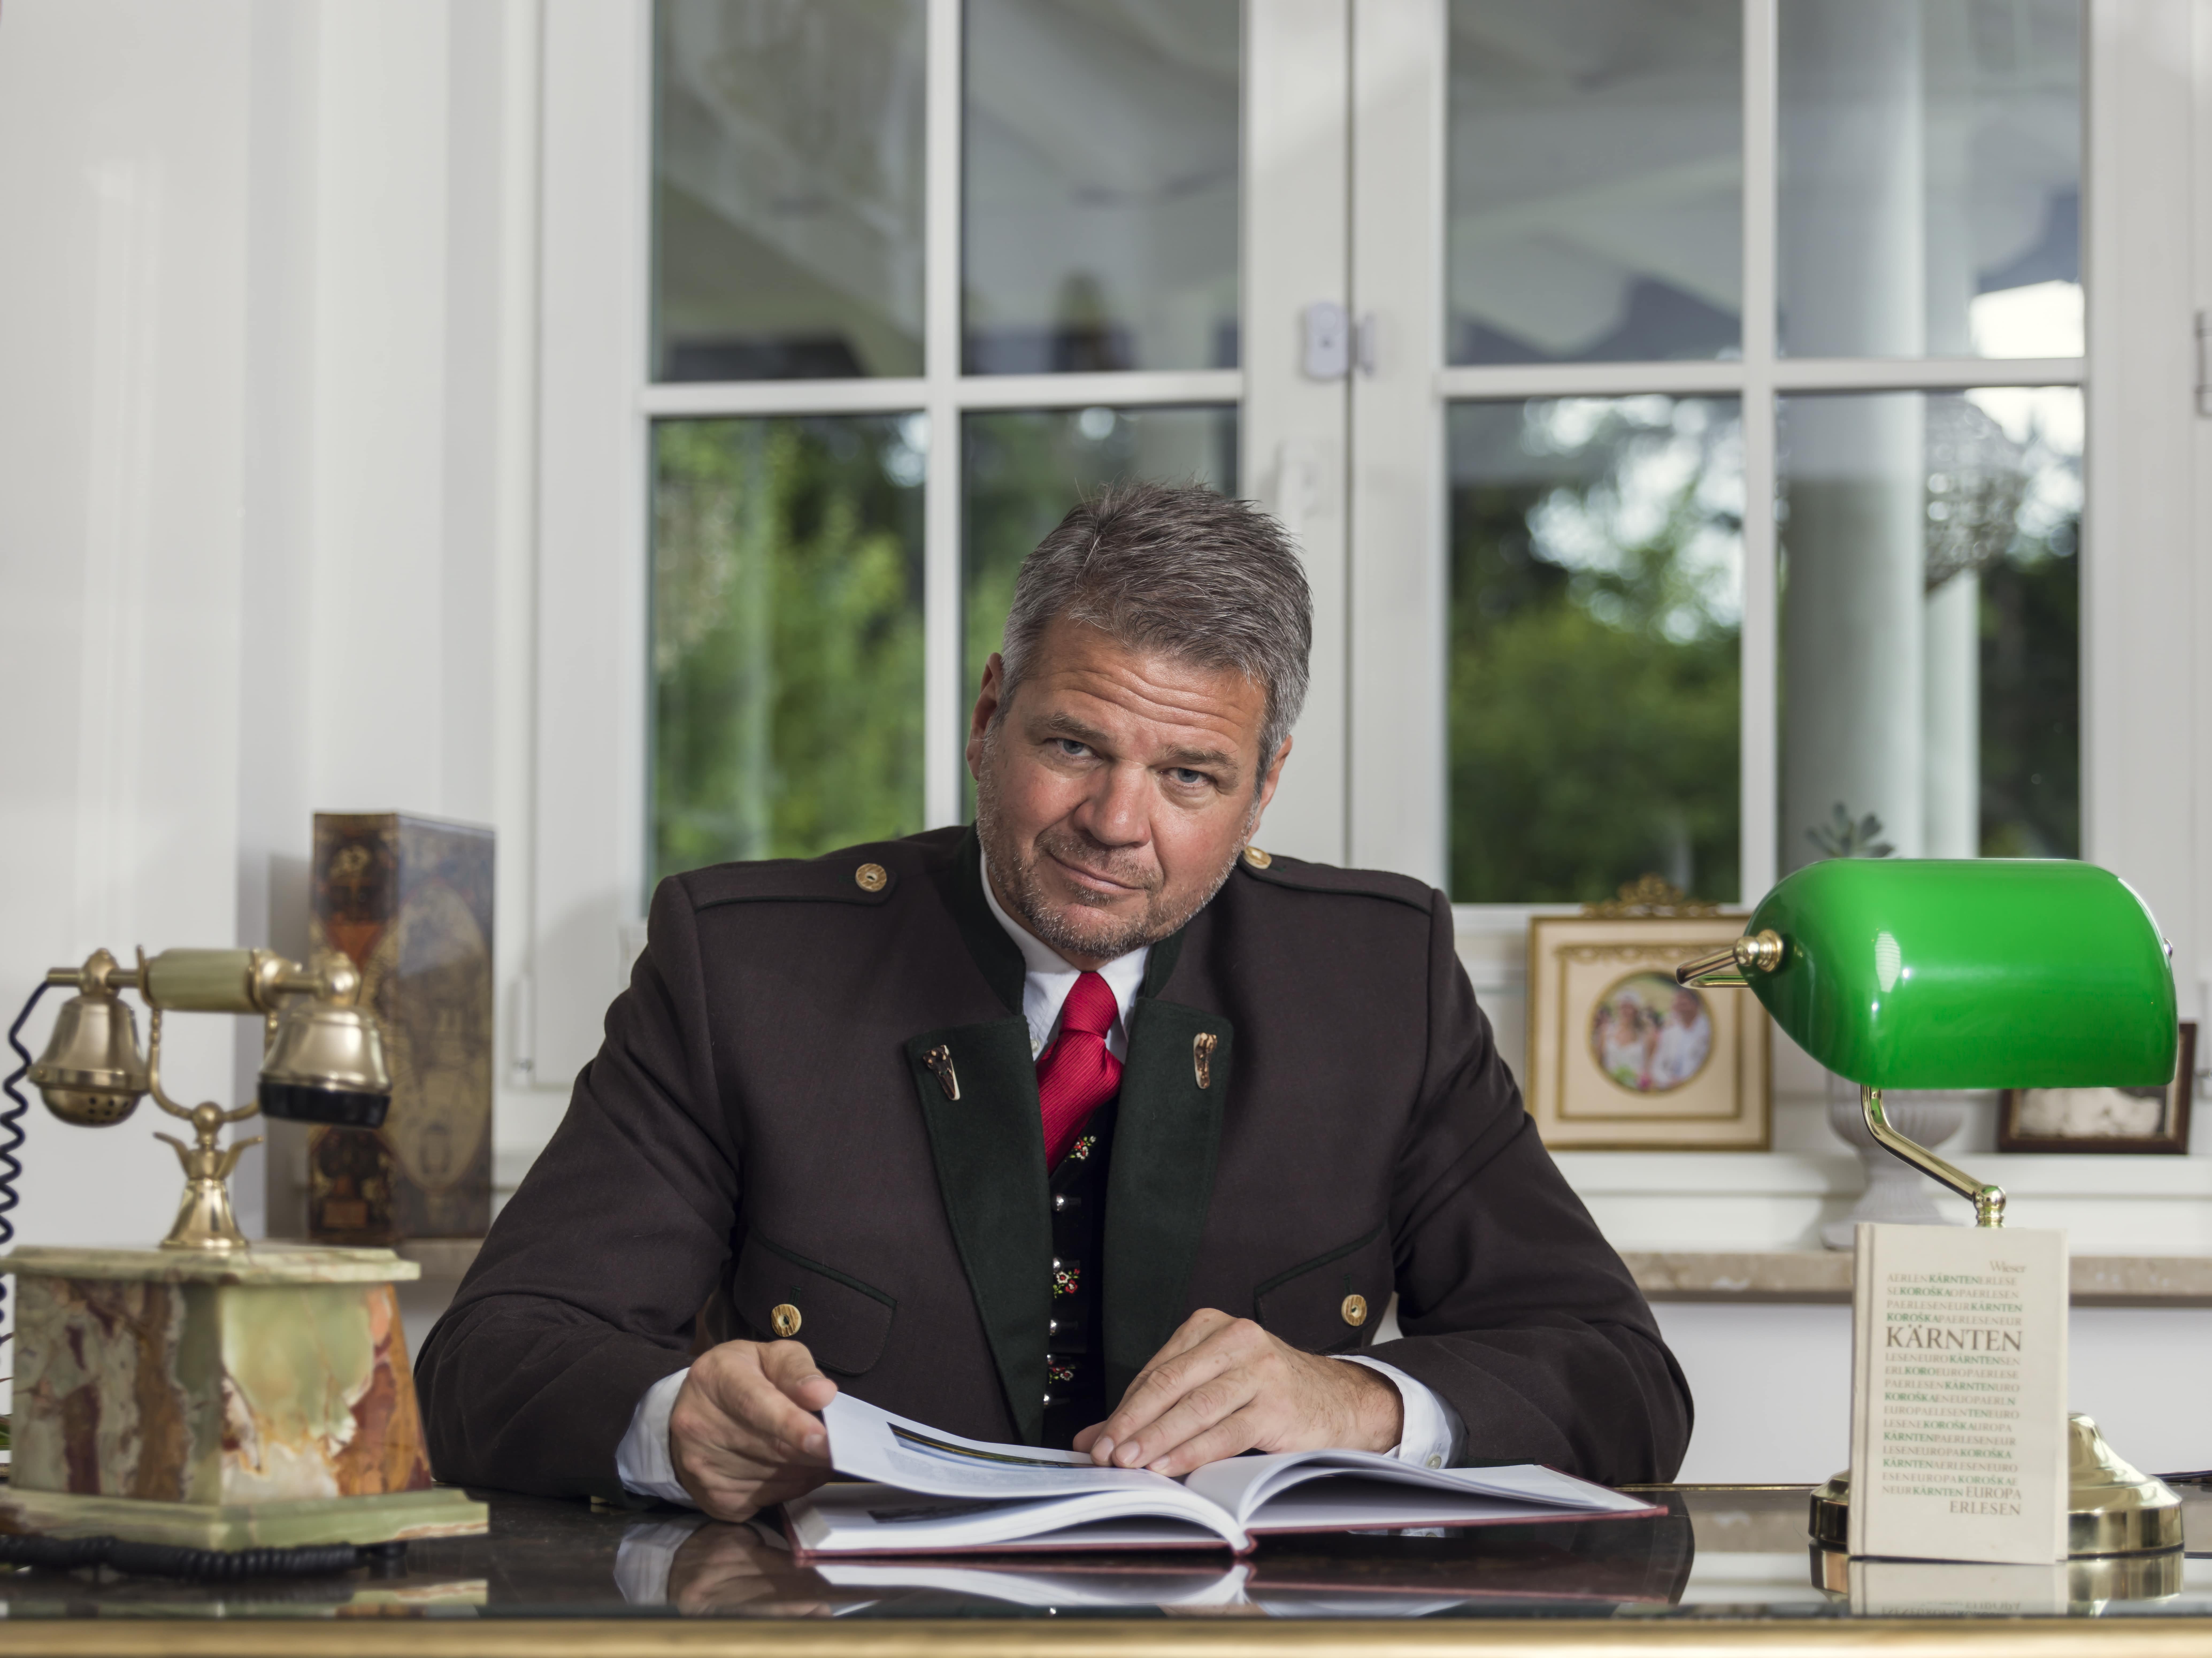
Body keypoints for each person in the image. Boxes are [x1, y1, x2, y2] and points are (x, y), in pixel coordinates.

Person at [416, 482, 1693, 1522]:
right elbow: (490, 1362)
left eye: (1191, 774)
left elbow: (1623, 1379)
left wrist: (1359, 1400)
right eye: (1074, 745)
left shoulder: (1378, 977)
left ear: (1264, 788)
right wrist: (669, 1418)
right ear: (989, 714)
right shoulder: (743, 966)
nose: (1115, 824)